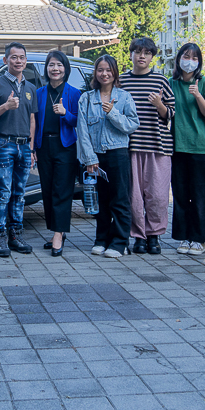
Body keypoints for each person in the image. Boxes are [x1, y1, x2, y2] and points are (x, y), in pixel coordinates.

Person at [77, 55, 140, 259]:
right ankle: (101, 239)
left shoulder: (124, 97)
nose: (104, 74)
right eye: (100, 70)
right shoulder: (86, 98)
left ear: (115, 73)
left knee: (120, 199)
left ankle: (120, 242)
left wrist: (113, 112)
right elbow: (82, 131)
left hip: (118, 154)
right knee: (100, 200)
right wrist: (89, 158)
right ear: (95, 73)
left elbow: (132, 125)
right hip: (95, 156)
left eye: (108, 70)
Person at [119, 37, 175, 255]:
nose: (142, 56)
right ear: (131, 54)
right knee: (134, 196)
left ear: (152, 57)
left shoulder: (161, 81)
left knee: (158, 195)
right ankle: (138, 236)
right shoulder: (122, 80)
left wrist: (159, 104)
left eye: (147, 53)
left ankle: (154, 235)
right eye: (138, 52)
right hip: (130, 147)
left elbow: (170, 113)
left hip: (158, 147)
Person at [0, 42, 37, 258]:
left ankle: (16, 234)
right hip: (3, 144)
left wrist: (31, 147)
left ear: (26, 60)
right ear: (5, 61)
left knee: (19, 193)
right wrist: (5, 107)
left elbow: (32, 119)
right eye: (14, 57)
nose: (18, 61)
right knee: (3, 192)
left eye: (22, 57)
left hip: (24, 145)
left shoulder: (31, 88)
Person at [169, 43, 205, 255]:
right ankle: (183, 237)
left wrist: (198, 95)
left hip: (200, 149)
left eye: (194, 57)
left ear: (199, 62)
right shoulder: (171, 83)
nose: (189, 61)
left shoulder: (204, 83)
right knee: (180, 195)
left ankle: (199, 238)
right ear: (178, 59)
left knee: (199, 195)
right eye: (186, 56)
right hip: (177, 147)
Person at [35, 51, 81, 257]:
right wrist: (34, 147)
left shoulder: (73, 92)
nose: (55, 69)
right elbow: (33, 122)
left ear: (66, 69)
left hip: (65, 147)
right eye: (51, 65)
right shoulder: (39, 93)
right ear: (46, 68)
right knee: (47, 190)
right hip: (44, 146)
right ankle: (57, 229)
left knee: (62, 190)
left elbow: (80, 122)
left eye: (59, 65)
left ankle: (58, 235)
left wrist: (66, 113)